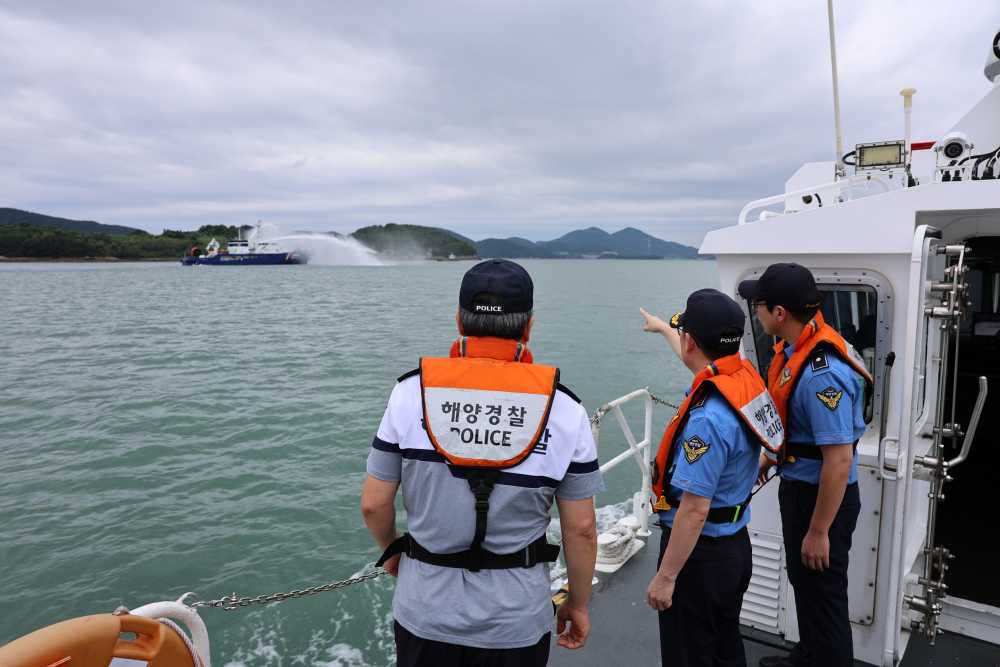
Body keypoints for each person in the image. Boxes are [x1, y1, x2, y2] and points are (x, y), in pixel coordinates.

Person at [361, 259, 603, 667]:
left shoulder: (409, 394)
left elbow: (373, 504)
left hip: (425, 612)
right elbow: (582, 529)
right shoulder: (564, 409)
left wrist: (392, 552)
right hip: (515, 621)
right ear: (528, 327)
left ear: (459, 321)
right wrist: (577, 603)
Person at [738, 264, 872, 667]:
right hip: (801, 487)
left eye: (759, 304)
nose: (755, 311)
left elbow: (839, 458)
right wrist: (772, 456)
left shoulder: (820, 374)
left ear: (779, 313)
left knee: (824, 597)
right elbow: (804, 433)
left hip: (819, 500)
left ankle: (825, 657)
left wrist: (819, 530)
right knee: (806, 584)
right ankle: (810, 655)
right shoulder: (798, 349)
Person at [640, 289, 782, 667]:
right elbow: (699, 362)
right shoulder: (742, 377)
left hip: (698, 559)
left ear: (691, 342)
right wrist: (662, 329)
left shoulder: (707, 418)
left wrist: (666, 577)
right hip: (734, 548)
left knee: (689, 654)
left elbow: (694, 510)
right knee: (724, 645)